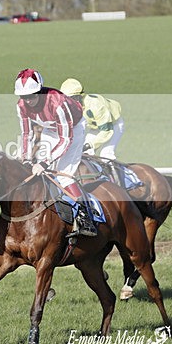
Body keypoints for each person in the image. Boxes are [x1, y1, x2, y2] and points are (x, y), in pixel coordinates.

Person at [14, 68, 97, 237]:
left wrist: (45, 162)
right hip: (49, 129)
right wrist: (26, 158)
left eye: (32, 95)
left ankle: (86, 218)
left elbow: (65, 139)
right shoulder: (21, 106)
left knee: (63, 176)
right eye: (24, 97)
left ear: (40, 91)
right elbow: (27, 134)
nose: (28, 100)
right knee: (37, 172)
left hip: (72, 130)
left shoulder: (57, 102)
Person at [59, 78, 124, 160]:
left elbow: (106, 131)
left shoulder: (96, 106)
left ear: (78, 96)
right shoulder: (73, 107)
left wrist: (90, 144)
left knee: (106, 155)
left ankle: (115, 172)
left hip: (112, 126)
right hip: (95, 127)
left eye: (70, 99)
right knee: (85, 154)